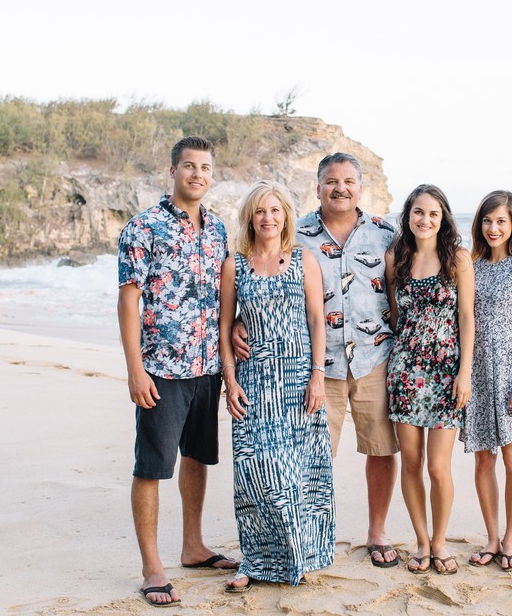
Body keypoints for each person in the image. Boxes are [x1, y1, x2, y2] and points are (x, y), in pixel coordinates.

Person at [232, 153, 400, 569]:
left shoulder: (385, 234)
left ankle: (377, 533)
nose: (340, 188)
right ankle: (308, 539)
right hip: (317, 366)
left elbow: (404, 288)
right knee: (312, 456)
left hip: (375, 358)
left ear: (360, 187)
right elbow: (265, 278)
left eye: (348, 181)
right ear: (318, 187)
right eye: (331, 181)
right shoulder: (297, 234)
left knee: (381, 449)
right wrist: (240, 319)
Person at [117, 136, 239, 608]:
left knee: (197, 457)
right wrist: (135, 369)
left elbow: (227, 295)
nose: (197, 174)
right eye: (189, 166)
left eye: (205, 167)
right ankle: (152, 566)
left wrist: (235, 334)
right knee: (151, 467)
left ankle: (193, 546)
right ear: (173, 172)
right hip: (162, 369)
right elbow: (129, 300)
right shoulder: (143, 227)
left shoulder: (218, 229)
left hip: (207, 367)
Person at [219, 180, 334, 592]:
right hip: (253, 381)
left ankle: (298, 556)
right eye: (260, 211)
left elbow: (317, 319)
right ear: (250, 218)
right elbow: (224, 325)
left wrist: (318, 375)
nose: (268, 218)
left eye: (275, 210)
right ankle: (254, 560)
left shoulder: (303, 259)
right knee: (253, 472)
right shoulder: (235, 264)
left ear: (285, 216)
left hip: (297, 380)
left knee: (295, 472)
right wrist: (229, 380)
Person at [385, 184, 474, 575]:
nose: (425, 220)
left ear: (443, 219)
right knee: (411, 463)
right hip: (405, 371)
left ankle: (440, 542)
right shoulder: (396, 257)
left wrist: (464, 372)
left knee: (438, 467)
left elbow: (467, 317)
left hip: (446, 373)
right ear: (408, 215)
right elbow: (395, 316)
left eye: (433, 213)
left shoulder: (458, 258)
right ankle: (421, 542)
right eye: (418, 212)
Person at [461, 190, 512, 572]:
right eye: (487, 220)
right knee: (483, 460)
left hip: (511, 371)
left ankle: (511, 539)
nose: (493, 228)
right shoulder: (471, 265)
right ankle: (492, 538)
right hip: (477, 370)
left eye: (501, 221)